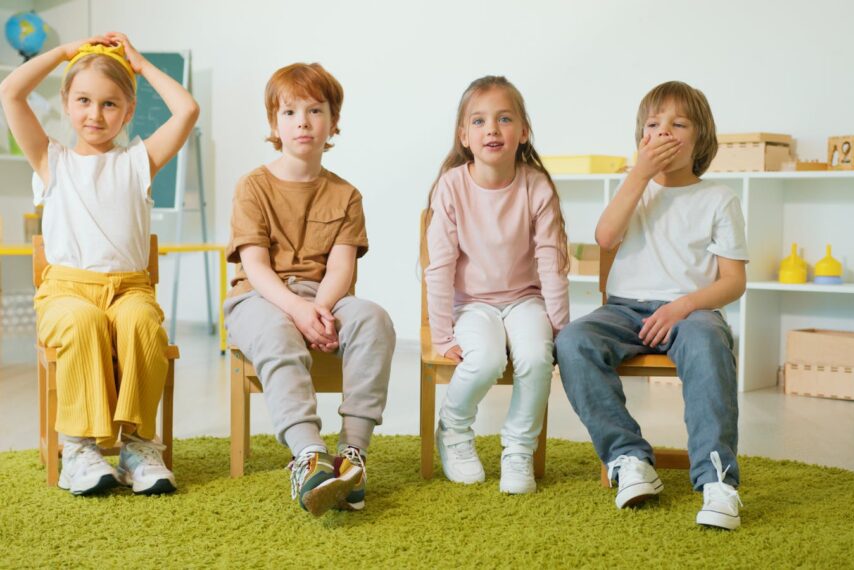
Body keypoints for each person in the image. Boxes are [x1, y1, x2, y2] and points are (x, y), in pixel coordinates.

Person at [0, 32, 199, 495]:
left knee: (144, 324)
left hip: (130, 289)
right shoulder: (51, 160)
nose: (95, 114)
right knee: (82, 322)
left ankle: (138, 447)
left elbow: (187, 110)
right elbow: (11, 91)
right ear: (67, 103)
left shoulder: (138, 162)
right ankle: (79, 448)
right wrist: (68, 52)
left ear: (128, 112)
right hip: (66, 292)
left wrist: (142, 64)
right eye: (84, 101)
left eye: (110, 104)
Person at [555, 81, 748, 530]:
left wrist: (682, 307)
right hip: (623, 310)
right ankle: (628, 458)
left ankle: (718, 482)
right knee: (573, 341)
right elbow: (605, 238)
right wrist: (638, 175)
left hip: (691, 311)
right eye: (653, 125)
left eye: (678, 124)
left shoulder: (719, 198)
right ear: (641, 138)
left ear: (701, 138)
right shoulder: (634, 187)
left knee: (707, 343)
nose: (664, 133)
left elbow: (734, 281)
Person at [224, 62, 395, 517]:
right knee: (278, 334)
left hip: (324, 298)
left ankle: (350, 457)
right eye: (290, 112)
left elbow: (340, 267)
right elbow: (255, 266)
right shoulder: (253, 187)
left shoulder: (346, 195)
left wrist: (317, 307)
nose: (303, 121)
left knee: (375, 319)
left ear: (333, 122)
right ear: (273, 125)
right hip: (260, 299)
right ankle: (308, 457)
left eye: (315, 111)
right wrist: (298, 312)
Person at [425, 75, 569, 494]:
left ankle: (518, 450)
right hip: (473, 305)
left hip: (525, 300)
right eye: (480, 121)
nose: (492, 129)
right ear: (464, 136)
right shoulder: (452, 187)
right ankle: (453, 429)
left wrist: (559, 328)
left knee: (535, 358)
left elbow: (551, 262)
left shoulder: (536, 185)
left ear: (523, 132)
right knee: (485, 359)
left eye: (504, 119)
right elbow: (440, 265)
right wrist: (441, 335)